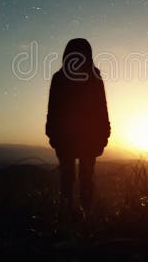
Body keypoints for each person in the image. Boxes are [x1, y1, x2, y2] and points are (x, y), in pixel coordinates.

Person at [45, 38, 111, 214]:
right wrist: (104, 134)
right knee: (81, 178)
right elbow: (101, 108)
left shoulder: (60, 78)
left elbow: (53, 109)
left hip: (74, 138)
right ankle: (82, 217)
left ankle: (74, 217)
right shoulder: (92, 77)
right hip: (79, 138)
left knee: (72, 179)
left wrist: (52, 133)